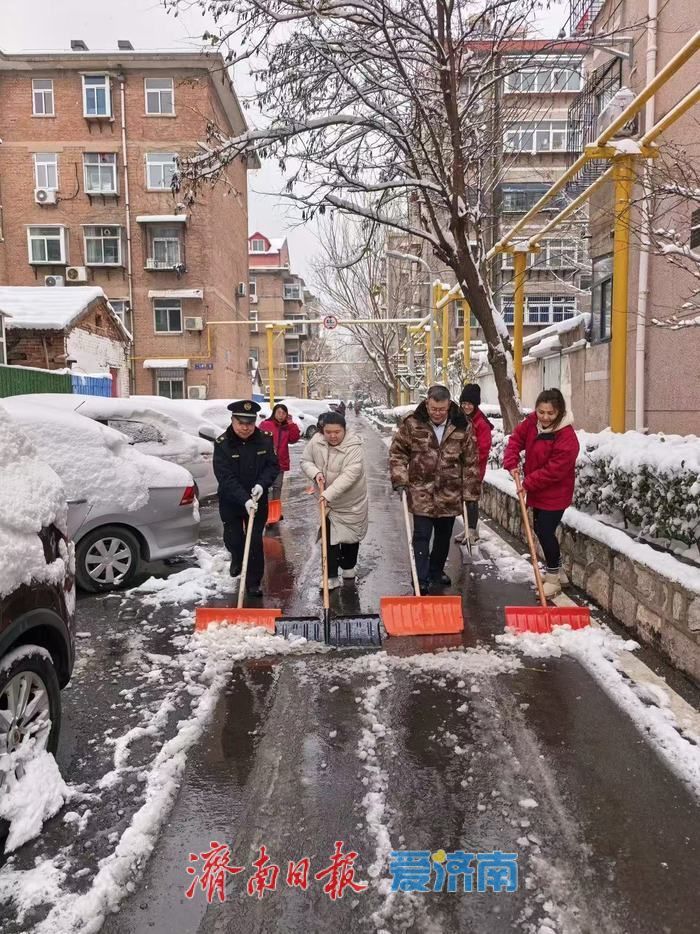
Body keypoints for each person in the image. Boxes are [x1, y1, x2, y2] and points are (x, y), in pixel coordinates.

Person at [389, 385, 481, 594]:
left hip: (449, 492)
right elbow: (397, 453)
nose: (437, 413)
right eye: (433, 408)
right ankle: (420, 578)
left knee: (443, 535)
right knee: (421, 535)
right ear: (427, 403)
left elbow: (471, 461)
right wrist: (400, 479)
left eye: (441, 409)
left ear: (448, 405)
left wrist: (470, 493)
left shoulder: (462, 425)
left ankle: (436, 570)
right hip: (421, 490)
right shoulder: (413, 423)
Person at [502, 388, 579, 598]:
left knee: (544, 531)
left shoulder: (567, 437)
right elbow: (516, 439)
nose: (544, 417)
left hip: (556, 492)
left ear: (560, 413)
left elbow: (555, 470)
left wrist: (528, 482)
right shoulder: (532, 423)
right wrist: (511, 461)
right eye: (541, 412)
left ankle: (553, 578)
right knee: (540, 528)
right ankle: (559, 571)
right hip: (537, 490)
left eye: (550, 414)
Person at [213, 400, 280, 596]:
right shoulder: (222, 444)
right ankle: (236, 556)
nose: (245, 427)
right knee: (234, 538)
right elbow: (224, 476)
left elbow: (272, 466)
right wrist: (244, 499)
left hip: (258, 499)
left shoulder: (265, 440)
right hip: (231, 500)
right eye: (240, 422)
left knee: (254, 542)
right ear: (232, 420)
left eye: (249, 423)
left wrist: (261, 485)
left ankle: (253, 582)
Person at [300, 412, 369, 590]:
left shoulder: (354, 446)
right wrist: (315, 472)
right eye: (328, 432)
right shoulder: (316, 441)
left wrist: (328, 493)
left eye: (337, 432)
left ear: (344, 430)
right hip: (328, 501)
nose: (332, 436)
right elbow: (306, 461)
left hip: (351, 500)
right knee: (329, 538)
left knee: (350, 537)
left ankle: (348, 566)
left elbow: (351, 474)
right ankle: (330, 576)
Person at [456, 383, 493, 547]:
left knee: (471, 499)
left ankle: (472, 531)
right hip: (460, 467)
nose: (466, 407)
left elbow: (484, 448)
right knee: (463, 499)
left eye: (469, 404)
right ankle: (467, 528)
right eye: (464, 403)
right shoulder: (460, 419)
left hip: (475, 468)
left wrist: (471, 459)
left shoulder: (481, 423)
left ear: (475, 405)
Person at [258, 403, 301, 519]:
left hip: (280, 462)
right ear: (274, 413)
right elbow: (257, 439)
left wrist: (291, 424)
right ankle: (264, 512)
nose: (281, 415)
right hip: (266, 462)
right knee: (265, 487)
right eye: (279, 412)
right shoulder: (266, 424)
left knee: (277, 487)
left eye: (284, 413)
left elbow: (294, 439)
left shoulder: (287, 427)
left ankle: (274, 512)